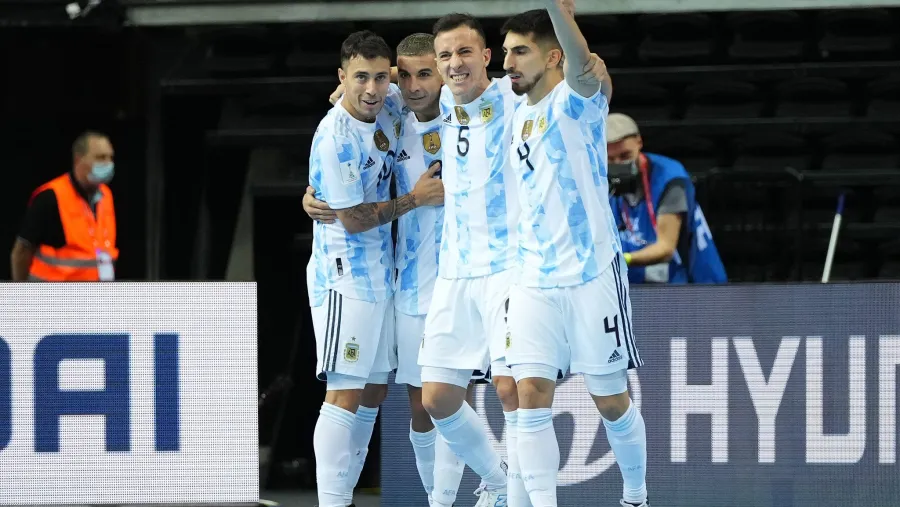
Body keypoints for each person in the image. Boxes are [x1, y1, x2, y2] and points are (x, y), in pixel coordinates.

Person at [305, 32, 471, 507]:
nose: (374, 88)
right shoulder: (335, 136)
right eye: (361, 78)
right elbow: (355, 220)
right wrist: (415, 199)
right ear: (342, 78)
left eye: (382, 77)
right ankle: (332, 502)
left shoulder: (392, 106)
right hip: (343, 276)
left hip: (385, 277)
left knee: (373, 392)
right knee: (344, 392)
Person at [502, 4, 650, 507]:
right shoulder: (515, 110)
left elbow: (585, 67)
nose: (508, 62)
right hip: (532, 278)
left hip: (590, 273)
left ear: (552, 56)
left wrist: (556, 9)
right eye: (506, 51)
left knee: (610, 401)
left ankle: (636, 494)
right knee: (530, 397)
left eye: (519, 51)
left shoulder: (576, 101)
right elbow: (454, 78)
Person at [606, 113, 727, 284]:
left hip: (695, 283)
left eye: (625, 156)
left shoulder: (670, 179)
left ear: (639, 142)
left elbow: (666, 248)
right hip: (643, 279)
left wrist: (621, 260)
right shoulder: (602, 178)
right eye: (611, 159)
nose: (618, 164)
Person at [12, 131, 118, 282]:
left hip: (95, 298)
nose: (108, 163)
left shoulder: (106, 195)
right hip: (54, 298)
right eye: (100, 158)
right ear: (78, 159)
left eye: (110, 157)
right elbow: (21, 252)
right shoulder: (50, 197)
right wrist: (21, 296)